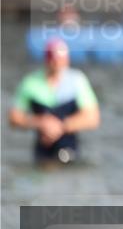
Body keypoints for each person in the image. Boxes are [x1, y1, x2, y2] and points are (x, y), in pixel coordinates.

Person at [9, 38, 100, 166]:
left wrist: (60, 126)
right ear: (47, 59)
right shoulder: (30, 83)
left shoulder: (77, 81)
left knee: (65, 165)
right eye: (54, 59)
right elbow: (14, 118)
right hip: (42, 148)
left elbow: (92, 118)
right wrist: (40, 122)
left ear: (67, 59)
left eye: (61, 59)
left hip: (68, 148)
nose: (58, 63)